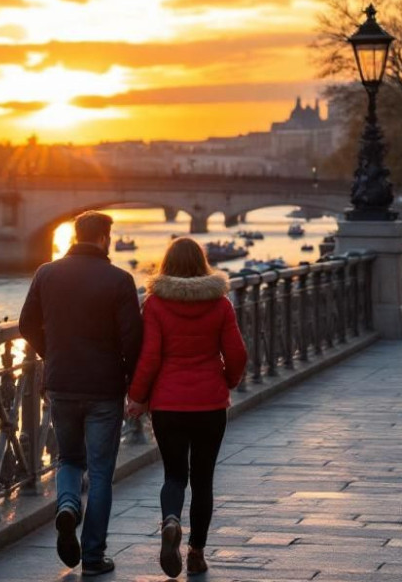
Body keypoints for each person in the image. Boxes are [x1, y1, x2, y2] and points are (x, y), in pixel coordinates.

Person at [19, 211, 142, 576]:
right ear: (105, 239)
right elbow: (133, 339)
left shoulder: (46, 273)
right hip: (104, 387)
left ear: (76, 235)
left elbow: (27, 325)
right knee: (102, 472)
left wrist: (52, 354)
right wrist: (135, 386)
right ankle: (92, 556)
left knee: (69, 459)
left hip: (62, 384)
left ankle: (68, 505)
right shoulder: (120, 280)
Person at [125, 238, 247, 578]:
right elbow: (237, 354)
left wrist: (137, 396)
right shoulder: (220, 303)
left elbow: (149, 358)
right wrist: (227, 380)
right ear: (202, 263)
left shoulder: (155, 304)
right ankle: (196, 553)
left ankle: (171, 520)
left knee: (174, 474)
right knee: (203, 479)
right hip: (209, 404)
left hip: (168, 403)